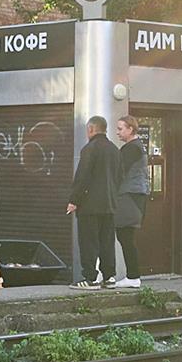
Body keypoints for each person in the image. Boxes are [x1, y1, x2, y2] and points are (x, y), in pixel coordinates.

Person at [66, 114, 118, 287]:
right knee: (107, 242)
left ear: (91, 129)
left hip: (90, 206)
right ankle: (109, 277)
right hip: (109, 205)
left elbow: (83, 177)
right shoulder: (114, 149)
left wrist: (74, 200)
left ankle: (90, 277)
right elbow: (120, 177)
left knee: (89, 242)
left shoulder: (89, 149)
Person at [112, 114, 150, 288]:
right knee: (125, 236)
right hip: (134, 196)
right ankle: (132, 276)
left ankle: (133, 276)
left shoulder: (131, 149)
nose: (117, 132)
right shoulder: (136, 147)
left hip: (130, 196)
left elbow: (118, 172)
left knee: (125, 235)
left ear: (130, 129)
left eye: (120, 129)